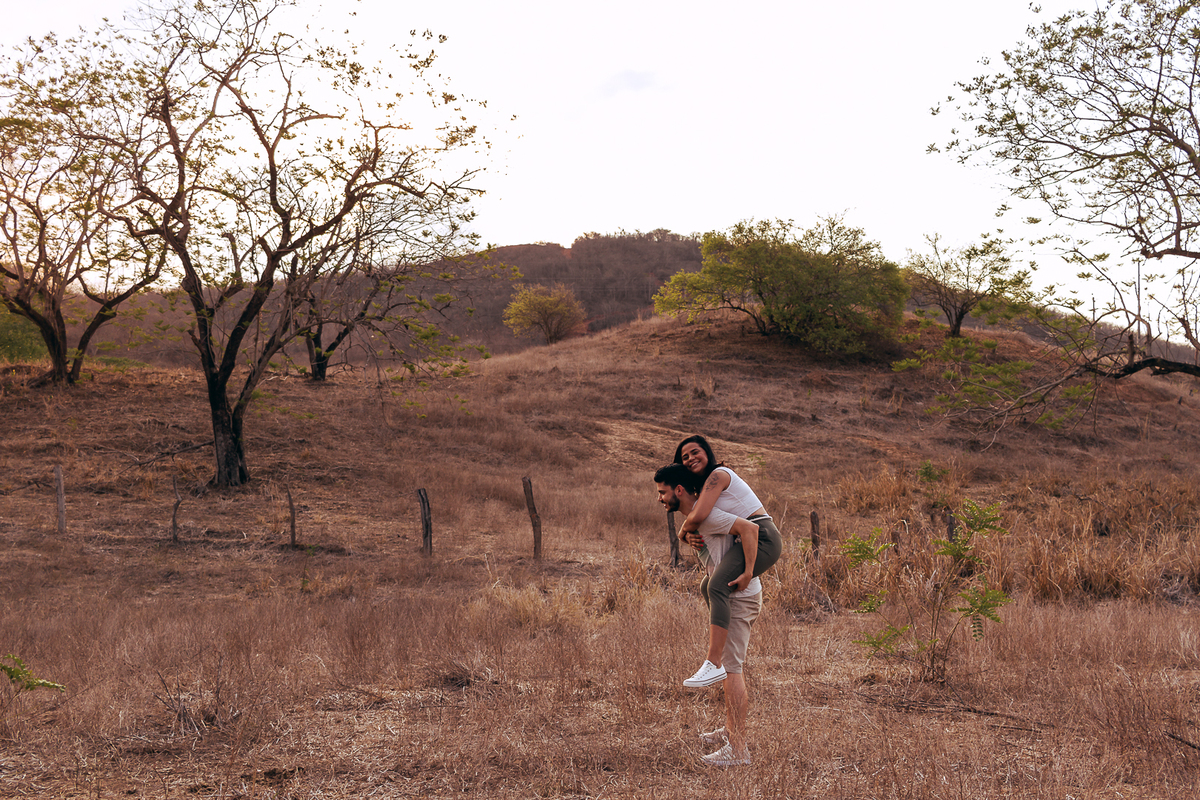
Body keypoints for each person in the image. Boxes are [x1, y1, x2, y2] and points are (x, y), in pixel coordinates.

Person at [654, 462, 764, 767]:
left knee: (731, 669)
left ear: (678, 490)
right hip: (732, 596)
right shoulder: (697, 521)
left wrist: (749, 573)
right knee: (731, 668)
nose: (660, 499)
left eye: (662, 492)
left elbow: (750, 528)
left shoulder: (710, 516)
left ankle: (739, 749)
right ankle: (731, 730)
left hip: (739, 596)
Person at [672, 435, 782, 693]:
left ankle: (713, 661)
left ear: (708, 453)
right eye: (684, 457)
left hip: (763, 536)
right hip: (747, 538)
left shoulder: (718, 475)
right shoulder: (704, 488)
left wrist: (681, 534)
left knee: (717, 585)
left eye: (695, 452)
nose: (690, 459)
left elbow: (698, 516)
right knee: (707, 585)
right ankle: (725, 630)